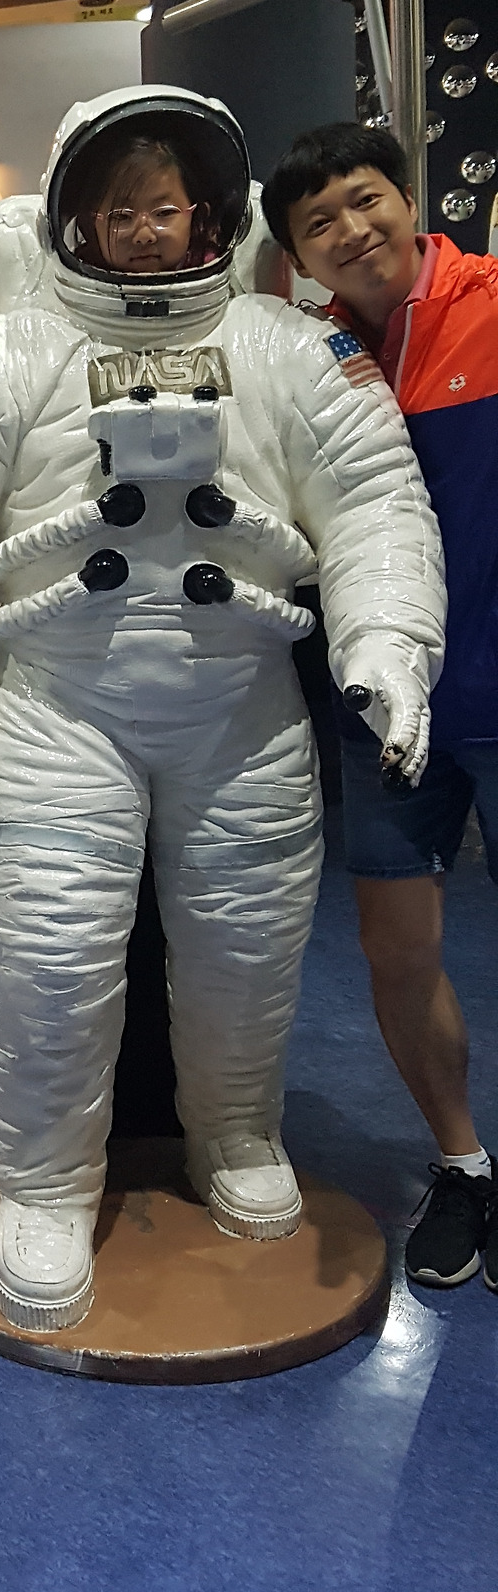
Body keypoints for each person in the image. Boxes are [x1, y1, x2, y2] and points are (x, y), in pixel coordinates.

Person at [0, 83, 445, 1336]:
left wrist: (388, 646)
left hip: (238, 704)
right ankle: (43, 1184)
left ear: (209, 214)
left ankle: (234, 1134)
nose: (140, 231)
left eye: (163, 206)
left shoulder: (291, 351)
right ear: (76, 219)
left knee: (245, 953)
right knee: (51, 961)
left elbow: (373, 506)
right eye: (117, 210)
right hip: (54, 703)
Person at [261, 121, 498, 1289]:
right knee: (394, 951)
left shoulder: (490, 304)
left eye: (364, 201)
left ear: (407, 200)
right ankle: (460, 1165)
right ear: (296, 254)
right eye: (319, 223)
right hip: (384, 710)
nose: (351, 232)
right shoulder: (313, 358)